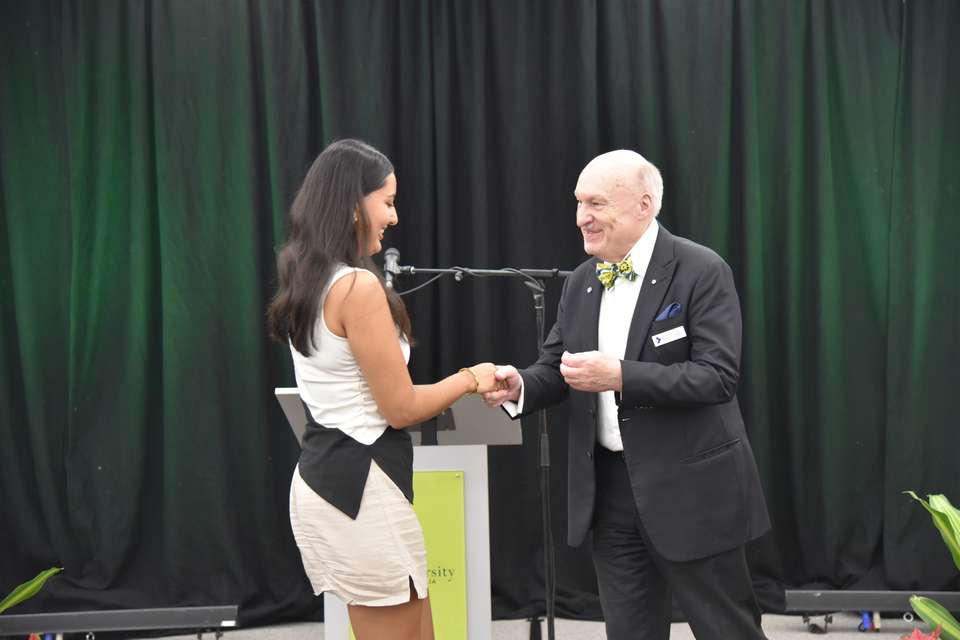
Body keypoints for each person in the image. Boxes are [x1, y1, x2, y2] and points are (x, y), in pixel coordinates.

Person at [482, 150, 771, 640]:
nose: (582, 217)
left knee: (729, 631)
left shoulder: (701, 269)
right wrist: (523, 384)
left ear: (644, 205)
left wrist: (620, 376)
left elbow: (717, 377)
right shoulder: (580, 282)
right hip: (610, 493)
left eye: (596, 203)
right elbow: (558, 368)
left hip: (694, 491)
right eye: (578, 203)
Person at [267, 139, 498, 640]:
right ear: (354, 204)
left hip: (340, 480)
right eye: (388, 202)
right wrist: (469, 378)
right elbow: (400, 408)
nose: (394, 217)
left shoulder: (313, 278)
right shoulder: (356, 287)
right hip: (358, 488)